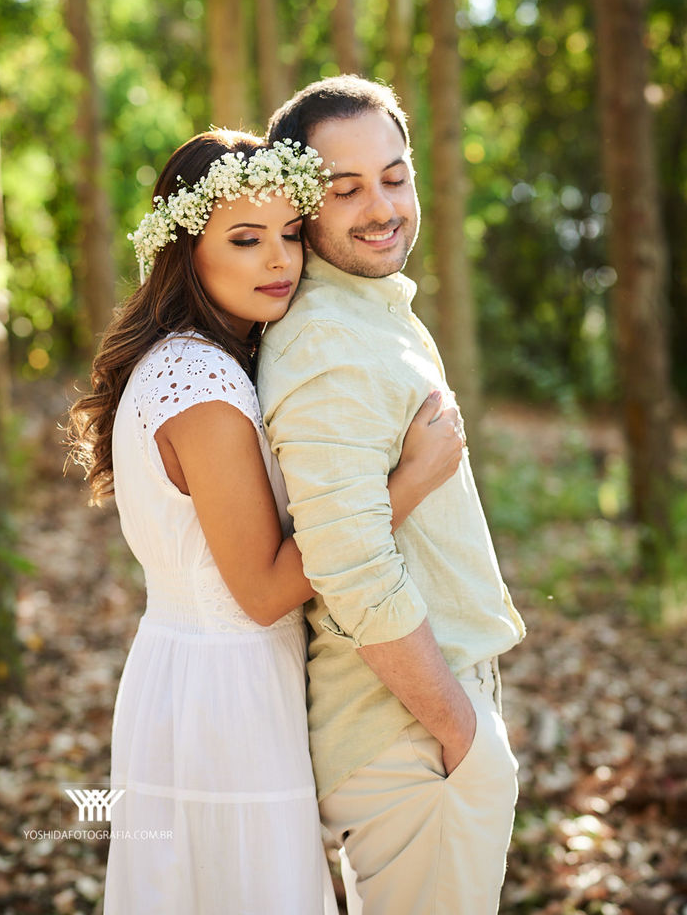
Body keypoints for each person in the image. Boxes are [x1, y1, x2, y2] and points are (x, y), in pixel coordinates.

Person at [66, 128, 466, 914]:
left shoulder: (198, 360)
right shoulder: (202, 383)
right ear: (185, 250)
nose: (280, 260)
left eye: (289, 233)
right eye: (245, 240)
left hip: (195, 674)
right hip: (226, 690)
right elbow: (261, 590)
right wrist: (407, 482)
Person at [258, 76, 527, 915]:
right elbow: (348, 562)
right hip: (408, 736)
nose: (380, 207)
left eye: (394, 176)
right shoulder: (327, 341)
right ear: (301, 206)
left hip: (420, 725)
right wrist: (459, 733)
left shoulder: (367, 311)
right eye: (345, 189)